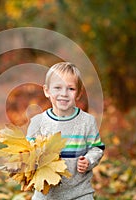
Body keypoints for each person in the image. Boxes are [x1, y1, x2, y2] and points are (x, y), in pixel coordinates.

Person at [26, 62, 105, 200]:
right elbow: (27, 153)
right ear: (47, 91)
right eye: (57, 88)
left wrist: (88, 160)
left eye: (71, 88)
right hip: (46, 194)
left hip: (80, 192)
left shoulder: (87, 121)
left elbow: (97, 148)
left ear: (79, 93)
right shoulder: (37, 123)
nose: (64, 93)